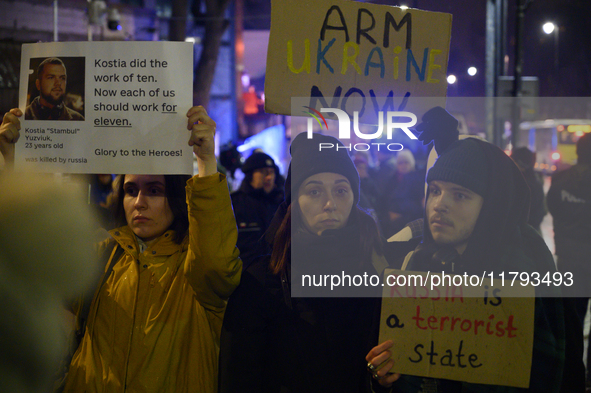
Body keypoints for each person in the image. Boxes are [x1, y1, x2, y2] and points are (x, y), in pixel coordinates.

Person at [1, 106, 242, 392]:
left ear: (177, 197)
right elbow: (27, 274)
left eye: (154, 190)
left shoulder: (195, 265)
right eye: (131, 190)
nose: (139, 202)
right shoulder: (100, 254)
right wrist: (12, 163)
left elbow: (216, 262)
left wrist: (205, 161)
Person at [366, 134, 585, 392]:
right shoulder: (417, 264)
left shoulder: (525, 275)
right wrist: (383, 377)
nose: (439, 205)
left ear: (492, 205)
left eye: (460, 195)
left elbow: (551, 374)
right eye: (435, 190)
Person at [219, 132, 388, 393]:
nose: (330, 203)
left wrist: (383, 379)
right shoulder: (261, 282)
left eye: (341, 190)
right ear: (294, 203)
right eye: (314, 191)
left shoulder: (376, 277)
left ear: (354, 198)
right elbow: (239, 378)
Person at [547, 132, 591, 386]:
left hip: (570, 259)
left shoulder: (561, 179)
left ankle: (572, 378)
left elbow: (552, 208)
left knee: (572, 323)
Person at [231, 151, 284, 267]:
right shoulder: (235, 204)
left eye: (271, 172)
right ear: (250, 175)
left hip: (277, 277)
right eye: (263, 172)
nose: (269, 177)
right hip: (245, 277)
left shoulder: (282, 204)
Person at [511, 147, 547, 233]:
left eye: (513, 162)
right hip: (533, 232)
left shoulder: (522, 185)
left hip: (522, 235)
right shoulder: (536, 180)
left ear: (520, 164)